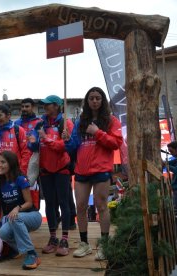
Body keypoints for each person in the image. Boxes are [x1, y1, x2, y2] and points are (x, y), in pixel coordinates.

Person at [63, 87, 123, 260]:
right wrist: (67, 140)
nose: (94, 101)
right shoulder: (81, 121)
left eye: (98, 98)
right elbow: (73, 146)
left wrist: (97, 133)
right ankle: (84, 244)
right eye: (91, 98)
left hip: (101, 170)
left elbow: (115, 143)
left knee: (102, 206)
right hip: (81, 171)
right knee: (80, 206)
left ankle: (104, 246)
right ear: (87, 102)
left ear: (102, 100)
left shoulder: (111, 120)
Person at [28, 95, 74, 256]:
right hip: (45, 170)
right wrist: (32, 140)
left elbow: (65, 146)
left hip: (62, 169)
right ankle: (53, 237)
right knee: (49, 204)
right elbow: (33, 146)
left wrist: (46, 139)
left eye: (48, 105)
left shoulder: (66, 123)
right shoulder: (40, 123)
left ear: (57, 106)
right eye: (44, 105)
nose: (45, 107)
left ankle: (65, 238)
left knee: (63, 203)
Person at [0, 151, 42, 269]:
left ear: (11, 164)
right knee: (2, 233)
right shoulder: (0, 182)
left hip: (32, 216)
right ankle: (20, 250)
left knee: (15, 218)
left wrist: (17, 208)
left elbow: (29, 203)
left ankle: (32, 254)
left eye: (3, 162)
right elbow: (3, 208)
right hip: (14, 219)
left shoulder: (20, 179)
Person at [0, 104, 30, 174]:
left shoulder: (18, 130)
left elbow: (26, 152)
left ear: (8, 115)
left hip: (15, 171)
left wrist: (22, 170)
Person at [166, 141, 177, 248]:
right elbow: (170, 163)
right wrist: (165, 163)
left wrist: (166, 165)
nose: (171, 154)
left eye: (172, 151)